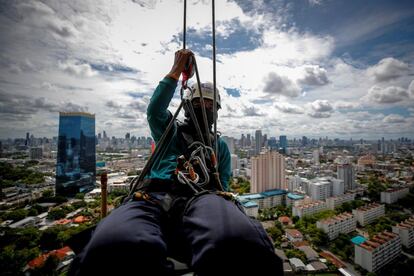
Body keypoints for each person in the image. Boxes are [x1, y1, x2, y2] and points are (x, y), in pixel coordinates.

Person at [69, 49, 283, 275]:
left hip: (202, 197)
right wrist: (176, 71)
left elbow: (224, 185)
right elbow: (155, 111)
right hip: (152, 196)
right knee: (112, 245)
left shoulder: (219, 147)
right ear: (189, 105)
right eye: (200, 102)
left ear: (217, 112)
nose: (206, 108)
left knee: (239, 241)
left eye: (211, 105)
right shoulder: (169, 131)